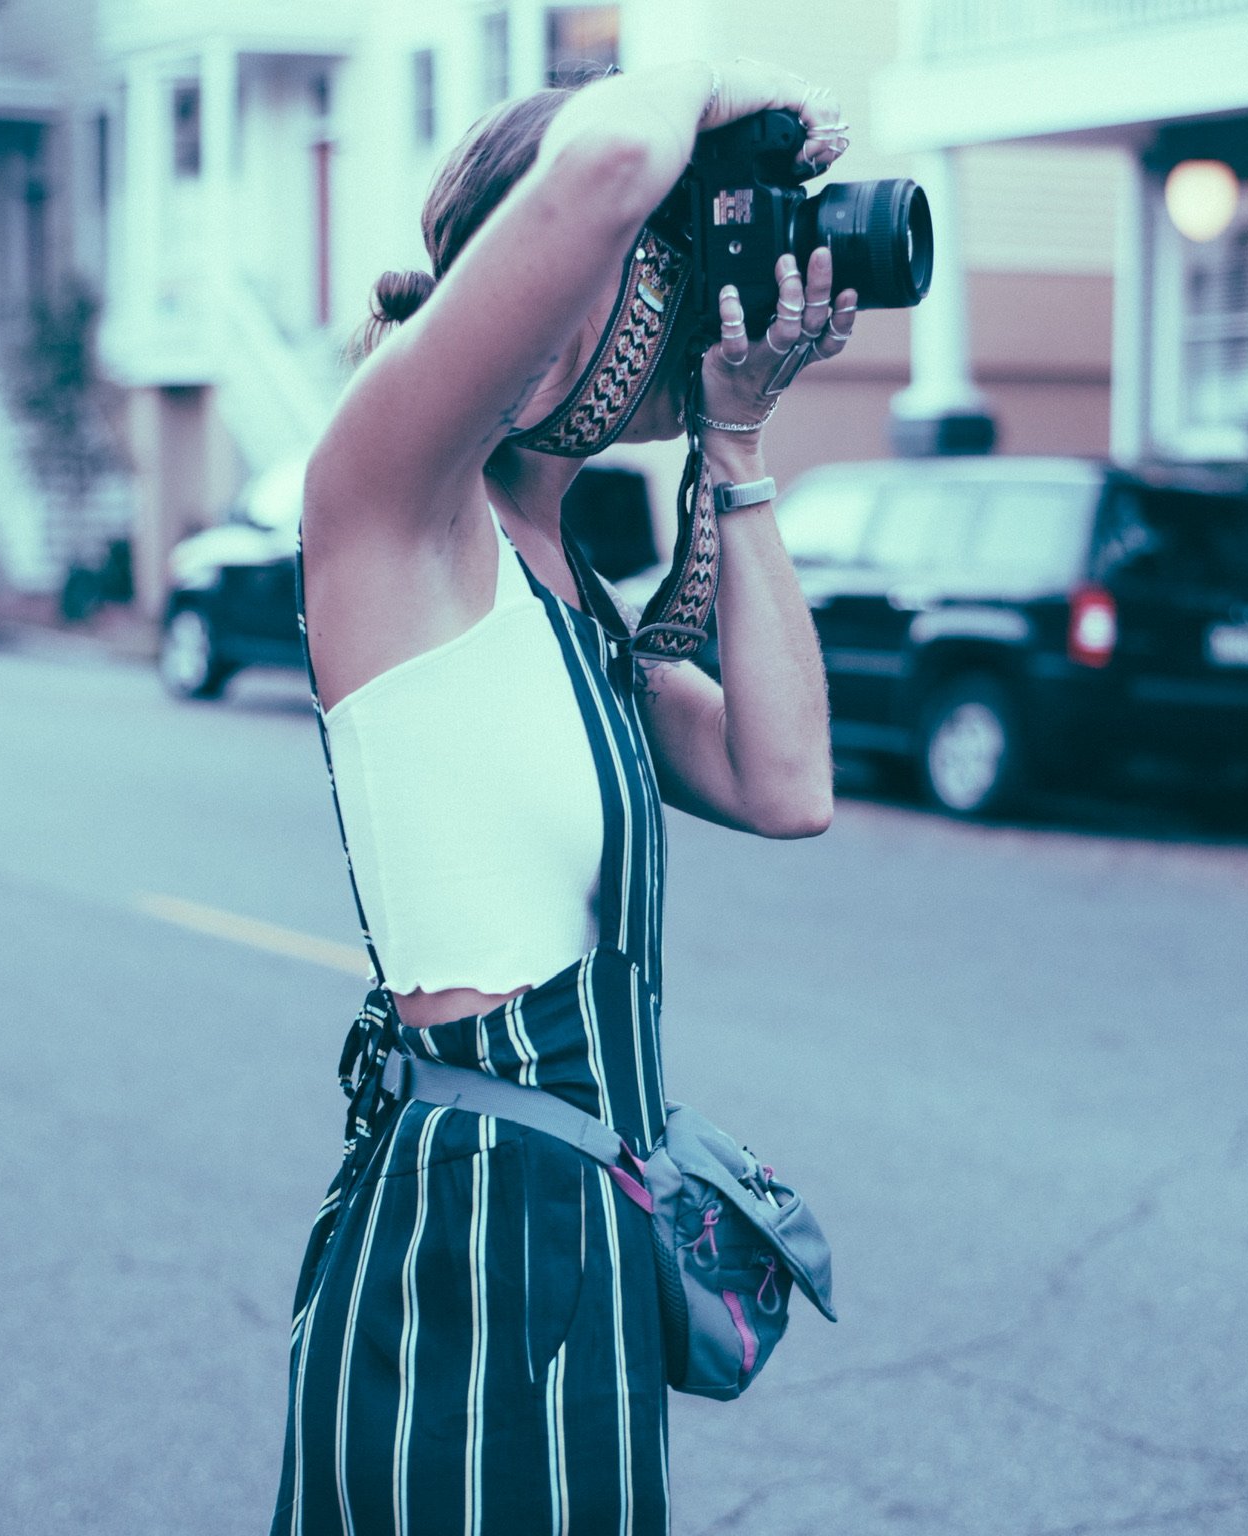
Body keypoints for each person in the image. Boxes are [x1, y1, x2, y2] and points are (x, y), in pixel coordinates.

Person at [276, 60, 849, 1534]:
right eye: (674, 260)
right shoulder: (389, 510)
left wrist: (736, 441)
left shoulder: (564, 592)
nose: (688, 296)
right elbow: (599, 165)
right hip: (466, 1238)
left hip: (586, 1229)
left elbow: (783, 783)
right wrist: (716, 88)